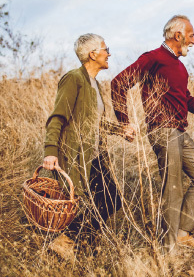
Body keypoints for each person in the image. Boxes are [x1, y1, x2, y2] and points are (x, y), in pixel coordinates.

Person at [111, 15, 194, 251]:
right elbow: (119, 83)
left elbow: (185, 99)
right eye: (191, 35)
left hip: (179, 131)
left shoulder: (179, 66)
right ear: (178, 35)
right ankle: (166, 247)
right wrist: (124, 122)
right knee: (172, 187)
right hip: (163, 131)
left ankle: (182, 233)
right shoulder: (153, 58)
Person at [43, 33, 132, 259]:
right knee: (96, 200)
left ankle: (75, 246)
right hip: (78, 154)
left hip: (96, 154)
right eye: (105, 48)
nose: (108, 53)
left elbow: (97, 122)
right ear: (93, 54)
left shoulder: (96, 84)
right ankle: (71, 244)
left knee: (111, 199)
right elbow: (57, 117)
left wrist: (120, 130)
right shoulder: (74, 79)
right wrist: (51, 151)